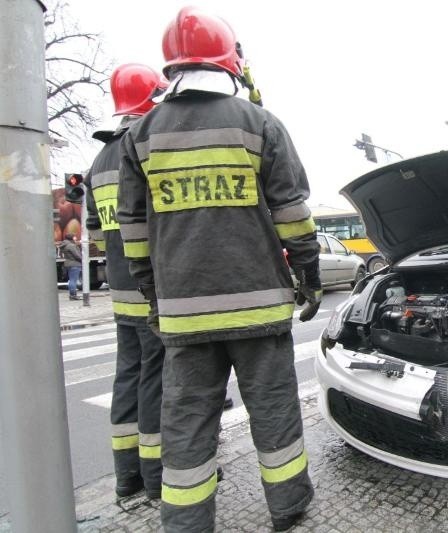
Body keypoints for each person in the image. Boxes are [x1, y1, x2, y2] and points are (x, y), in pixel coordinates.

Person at [116, 7, 320, 532]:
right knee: (274, 414)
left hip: (184, 319)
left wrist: (154, 297)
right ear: (230, 62)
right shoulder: (260, 124)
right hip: (258, 310)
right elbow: (292, 215)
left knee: (185, 428)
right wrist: (308, 276)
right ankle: (288, 507)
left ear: (172, 66)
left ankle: (186, 524)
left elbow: (133, 231)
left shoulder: (141, 136)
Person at [85, 63, 169, 499]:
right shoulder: (143, 147)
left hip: (119, 291)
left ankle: (126, 477)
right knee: (157, 381)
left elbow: (97, 234)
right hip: (152, 291)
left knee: (128, 378)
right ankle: (157, 478)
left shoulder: (97, 161)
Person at [61, 233, 82, 300]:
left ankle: (72, 295)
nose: (75, 238)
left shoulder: (65, 245)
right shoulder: (71, 246)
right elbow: (76, 255)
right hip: (75, 264)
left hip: (69, 263)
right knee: (73, 280)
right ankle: (73, 295)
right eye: (74, 237)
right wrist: (83, 260)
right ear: (71, 238)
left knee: (71, 280)